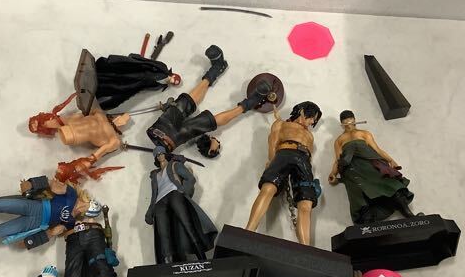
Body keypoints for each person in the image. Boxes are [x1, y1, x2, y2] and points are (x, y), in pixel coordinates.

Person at [146, 45, 273, 156]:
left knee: (185, 103)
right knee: (208, 122)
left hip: (158, 130)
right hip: (170, 141)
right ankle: (252, 101)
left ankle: (217, 68)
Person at [245, 101, 322, 245]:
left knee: (306, 202)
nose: (312, 122)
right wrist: (271, 160)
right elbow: (272, 143)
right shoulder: (281, 124)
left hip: (304, 161)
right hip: (284, 153)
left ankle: (306, 247)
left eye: (314, 120)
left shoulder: (310, 135)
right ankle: (248, 231)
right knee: (268, 188)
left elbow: (310, 156)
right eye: (312, 117)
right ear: (302, 112)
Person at [328, 110, 417, 224]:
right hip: (353, 169)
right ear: (342, 124)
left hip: (370, 165)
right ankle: (369, 224)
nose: (348, 123)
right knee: (359, 195)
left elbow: (377, 150)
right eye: (345, 121)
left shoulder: (364, 133)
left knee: (390, 185)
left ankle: (409, 215)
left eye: (350, 120)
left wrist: (391, 160)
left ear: (355, 120)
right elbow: (338, 160)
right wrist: (333, 173)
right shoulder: (339, 140)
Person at [145, 146, 217, 264]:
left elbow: (190, 178)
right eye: (157, 155)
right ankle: (169, 265)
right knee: (163, 235)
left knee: (187, 225)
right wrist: (150, 211)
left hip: (174, 193)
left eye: (162, 153)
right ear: (156, 158)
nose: (160, 156)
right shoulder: (155, 175)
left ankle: (203, 259)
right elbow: (153, 196)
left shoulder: (174, 165)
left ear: (165, 154)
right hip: (160, 202)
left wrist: (183, 190)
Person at [94, 53, 181, 110]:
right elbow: (150, 63)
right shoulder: (163, 68)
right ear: (173, 75)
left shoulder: (161, 86)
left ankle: (99, 86)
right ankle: (99, 74)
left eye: (174, 83)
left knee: (119, 88)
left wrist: (138, 88)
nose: (173, 81)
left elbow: (147, 87)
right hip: (138, 72)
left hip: (138, 84)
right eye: (174, 80)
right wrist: (137, 59)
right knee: (119, 74)